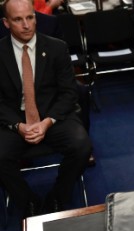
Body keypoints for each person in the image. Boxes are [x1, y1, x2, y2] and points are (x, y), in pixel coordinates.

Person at [0, 0, 92, 217]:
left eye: (30, 17)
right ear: (6, 23)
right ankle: (27, 201)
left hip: (52, 116)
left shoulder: (56, 47)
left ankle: (58, 197)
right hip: (14, 120)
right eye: (18, 19)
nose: (26, 25)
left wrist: (47, 121)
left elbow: (69, 93)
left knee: (82, 146)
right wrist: (18, 125)